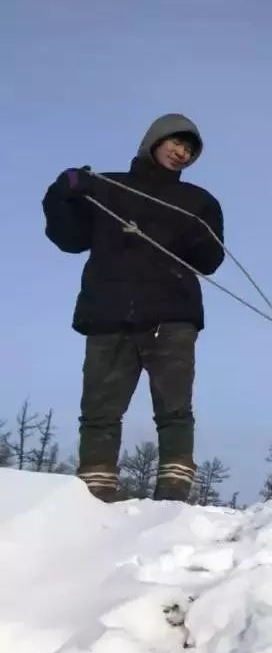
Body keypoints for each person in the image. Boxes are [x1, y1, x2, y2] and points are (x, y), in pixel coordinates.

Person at [42, 113, 225, 502]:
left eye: (189, 150)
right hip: (109, 311)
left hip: (172, 313)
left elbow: (209, 260)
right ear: (153, 141)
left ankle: (174, 492)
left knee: (174, 406)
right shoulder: (107, 187)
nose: (181, 153)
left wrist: (196, 231)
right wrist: (61, 194)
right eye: (176, 144)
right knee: (99, 409)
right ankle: (95, 490)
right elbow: (70, 238)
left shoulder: (198, 201)